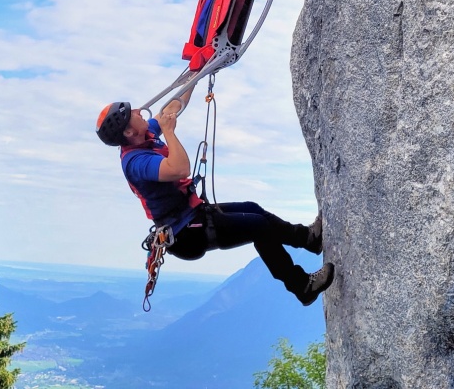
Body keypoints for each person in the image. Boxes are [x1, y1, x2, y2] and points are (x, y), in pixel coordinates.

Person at [95, 90, 335, 306]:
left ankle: (308, 239)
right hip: (187, 234)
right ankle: (302, 286)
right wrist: (169, 132)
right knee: (259, 227)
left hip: (194, 215)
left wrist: (197, 71)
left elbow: (171, 107)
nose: (139, 111)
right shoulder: (136, 163)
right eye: (132, 113)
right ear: (128, 131)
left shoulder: (144, 134)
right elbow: (180, 168)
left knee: (253, 208)